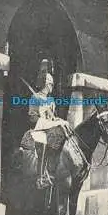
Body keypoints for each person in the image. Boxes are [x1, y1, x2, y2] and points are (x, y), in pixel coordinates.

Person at [28, 59, 72, 188]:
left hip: (49, 127)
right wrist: (48, 123)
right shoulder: (35, 98)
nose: (51, 87)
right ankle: (41, 177)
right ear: (45, 84)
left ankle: (57, 168)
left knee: (64, 132)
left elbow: (53, 117)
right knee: (44, 142)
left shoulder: (51, 100)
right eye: (50, 85)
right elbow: (32, 118)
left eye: (52, 85)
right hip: (39, 129)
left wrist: (59, 121)